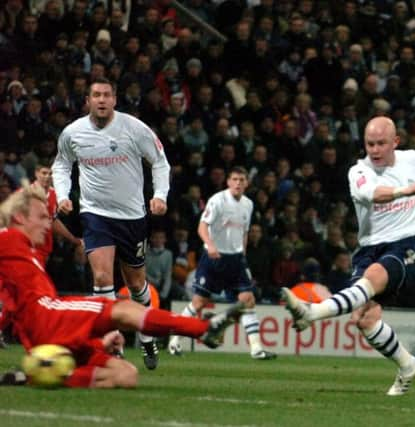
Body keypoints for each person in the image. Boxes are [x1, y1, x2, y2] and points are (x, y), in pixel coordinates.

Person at [0, 184, 243, 388]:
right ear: (20, 217)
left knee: (126, 375)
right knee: (125, 309)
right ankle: (202, 328)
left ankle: (32, 376)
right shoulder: (8, 238)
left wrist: (97, 344)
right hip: (47, 314)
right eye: (42, 217)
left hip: (48, 330)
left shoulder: (27, 251)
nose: (48, 224)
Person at [281, 116, 415, 395]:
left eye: (381, 143)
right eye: (370, 144)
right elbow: (374, 194)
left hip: (407, 244)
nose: (374, 150)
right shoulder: (358, 172)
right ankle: (408, 365)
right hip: (369, 248)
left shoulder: (414, 160)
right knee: (364, 319)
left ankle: (312, 312)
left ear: (395, 142)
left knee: (373, 277)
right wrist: (405, 190)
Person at [51, 77, 170, 370]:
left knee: (136, 283)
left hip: (132, 217)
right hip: (95, 215)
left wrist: (160, 195)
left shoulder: (134, 128)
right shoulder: (73, 132)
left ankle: (146, 336)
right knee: (103, 279)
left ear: (115, 99)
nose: (101, 100)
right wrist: (63, 196)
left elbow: (160, 161)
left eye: (106, 95)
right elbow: (62, 164)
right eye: (96, 95)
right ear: (88, 101)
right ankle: (111, 345)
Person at [168, 167, 276, 360]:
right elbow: (202, 226)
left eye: (242, 180)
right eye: (234, 179)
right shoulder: (217, 200)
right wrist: (209, 245)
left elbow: (243, 232)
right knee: (199, 302)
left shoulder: (248, 204)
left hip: (235, 260)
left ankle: (256, 348)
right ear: (228, 182)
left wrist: (243, 255)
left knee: (248, 300)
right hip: (214, 258)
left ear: (247, 183)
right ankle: (175, 339)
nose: (238, 183)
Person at [31, 160, 83, 265]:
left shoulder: (55, 194)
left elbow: (53, 221)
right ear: (36, 173)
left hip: (46, 248)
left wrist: (74, 240)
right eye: (44, 173)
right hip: (29, 247)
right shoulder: (25, 194)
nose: (47, 177)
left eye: (51, 174)